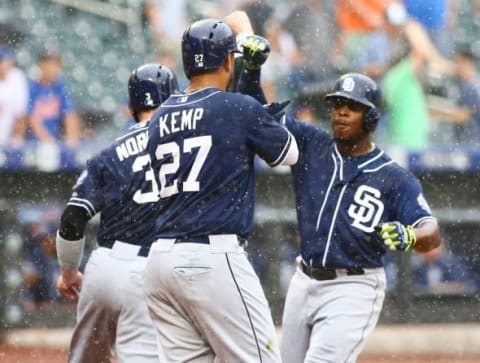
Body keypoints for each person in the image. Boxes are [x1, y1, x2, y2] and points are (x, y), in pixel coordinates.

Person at [142, 17, 298, 363]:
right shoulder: (237, 108)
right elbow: (289, 153)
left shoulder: (160, 115)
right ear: (229, 61)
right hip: (212, 258)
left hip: (160, 262)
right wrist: (253, 75)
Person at [278, 73, 441, 363]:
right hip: (303, 280)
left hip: (353, 286)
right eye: (337, 104)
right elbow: (259, 119)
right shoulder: (313, 145)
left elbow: (431, 232)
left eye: (351, 106)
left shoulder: (395, 178)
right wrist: (250, 70)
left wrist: (411, 236)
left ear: (371, 119)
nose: (340, 112)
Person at [56, 63, 179, 363]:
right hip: (149, 272)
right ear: (175, 100)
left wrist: (69, 272)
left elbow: (73, 218)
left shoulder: (109, 153)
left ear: (131, 105)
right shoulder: (188, 146)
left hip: (103, 269)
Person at [27, 48, 81, 146]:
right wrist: (46, 140)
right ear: (41, 65)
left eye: (56, 64)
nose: (52, 68)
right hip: (32, 144)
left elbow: (69, 115)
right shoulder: (32, 87)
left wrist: (71, 139)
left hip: (55, 140)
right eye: (49, 64)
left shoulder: (59, 87)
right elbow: (31, 117)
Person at [0, 45, 28, 147]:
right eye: (2, 61)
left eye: (7, 61)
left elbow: (20, 114)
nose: (4, 64)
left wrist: (17, 139)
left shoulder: (16, 77)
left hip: (8, 141)